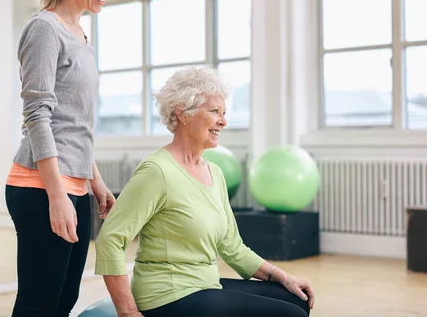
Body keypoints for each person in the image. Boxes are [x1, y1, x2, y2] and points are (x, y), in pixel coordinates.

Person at [95, 65, 315, 317]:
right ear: (183, 113)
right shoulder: (157, 171)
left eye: (224, 112)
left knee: (297, 299)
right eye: (214, 111)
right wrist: (128, 312)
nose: (223, 120)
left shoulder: (215, 173)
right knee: (290, 315)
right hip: (167, 294)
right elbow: (110, 239)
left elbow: (232, 247)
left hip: (205, 284)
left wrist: (283, 277)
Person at [5, 0, 118, 317]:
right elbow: (38, 115)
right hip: (40, 187)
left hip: (75, 185)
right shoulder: (44, 29)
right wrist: (56, 196)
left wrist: (94, 180)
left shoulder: (80, 35)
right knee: (40, 303)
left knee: (63, 299)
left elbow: (75, 122)